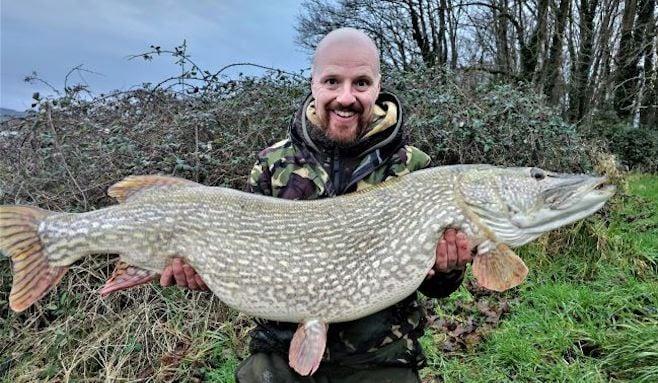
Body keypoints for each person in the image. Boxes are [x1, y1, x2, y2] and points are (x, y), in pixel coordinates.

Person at [160, 28, 473, 382]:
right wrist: (205, 270)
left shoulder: (412, 168)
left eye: (361, 83)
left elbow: (435, 286)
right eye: (332, 81)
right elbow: (239, 264)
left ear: (378, 85)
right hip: (280, 348)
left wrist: (449, 269)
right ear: (313, 83)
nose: (346, 97)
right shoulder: (273, 165)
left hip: (381, 356)